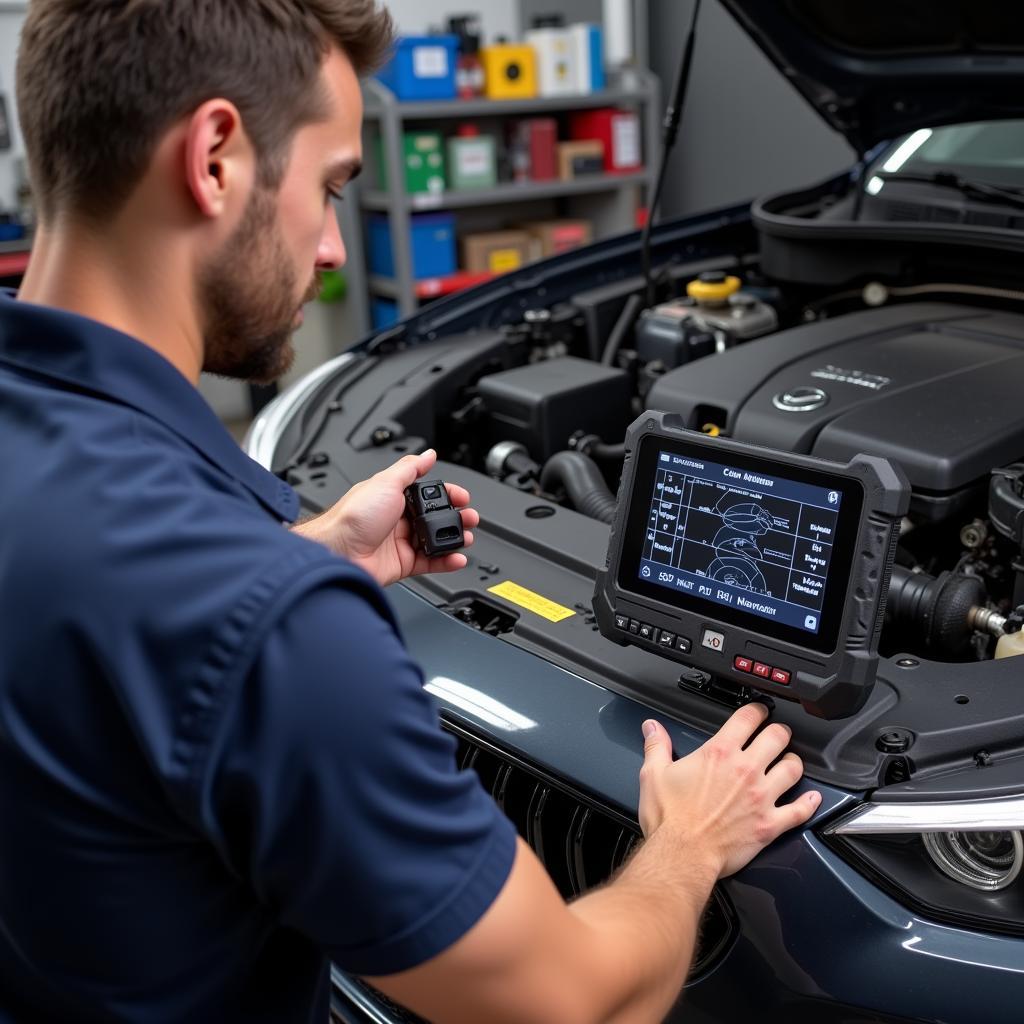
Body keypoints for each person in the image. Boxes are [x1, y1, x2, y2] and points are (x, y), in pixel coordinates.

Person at [0, 2, 821, 1021]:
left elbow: (101, 622)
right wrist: (688, 845)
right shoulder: (264, 621)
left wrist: (317, 559)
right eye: (332, 184)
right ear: (214, 158)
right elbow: (573, 1006)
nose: (335, 248)